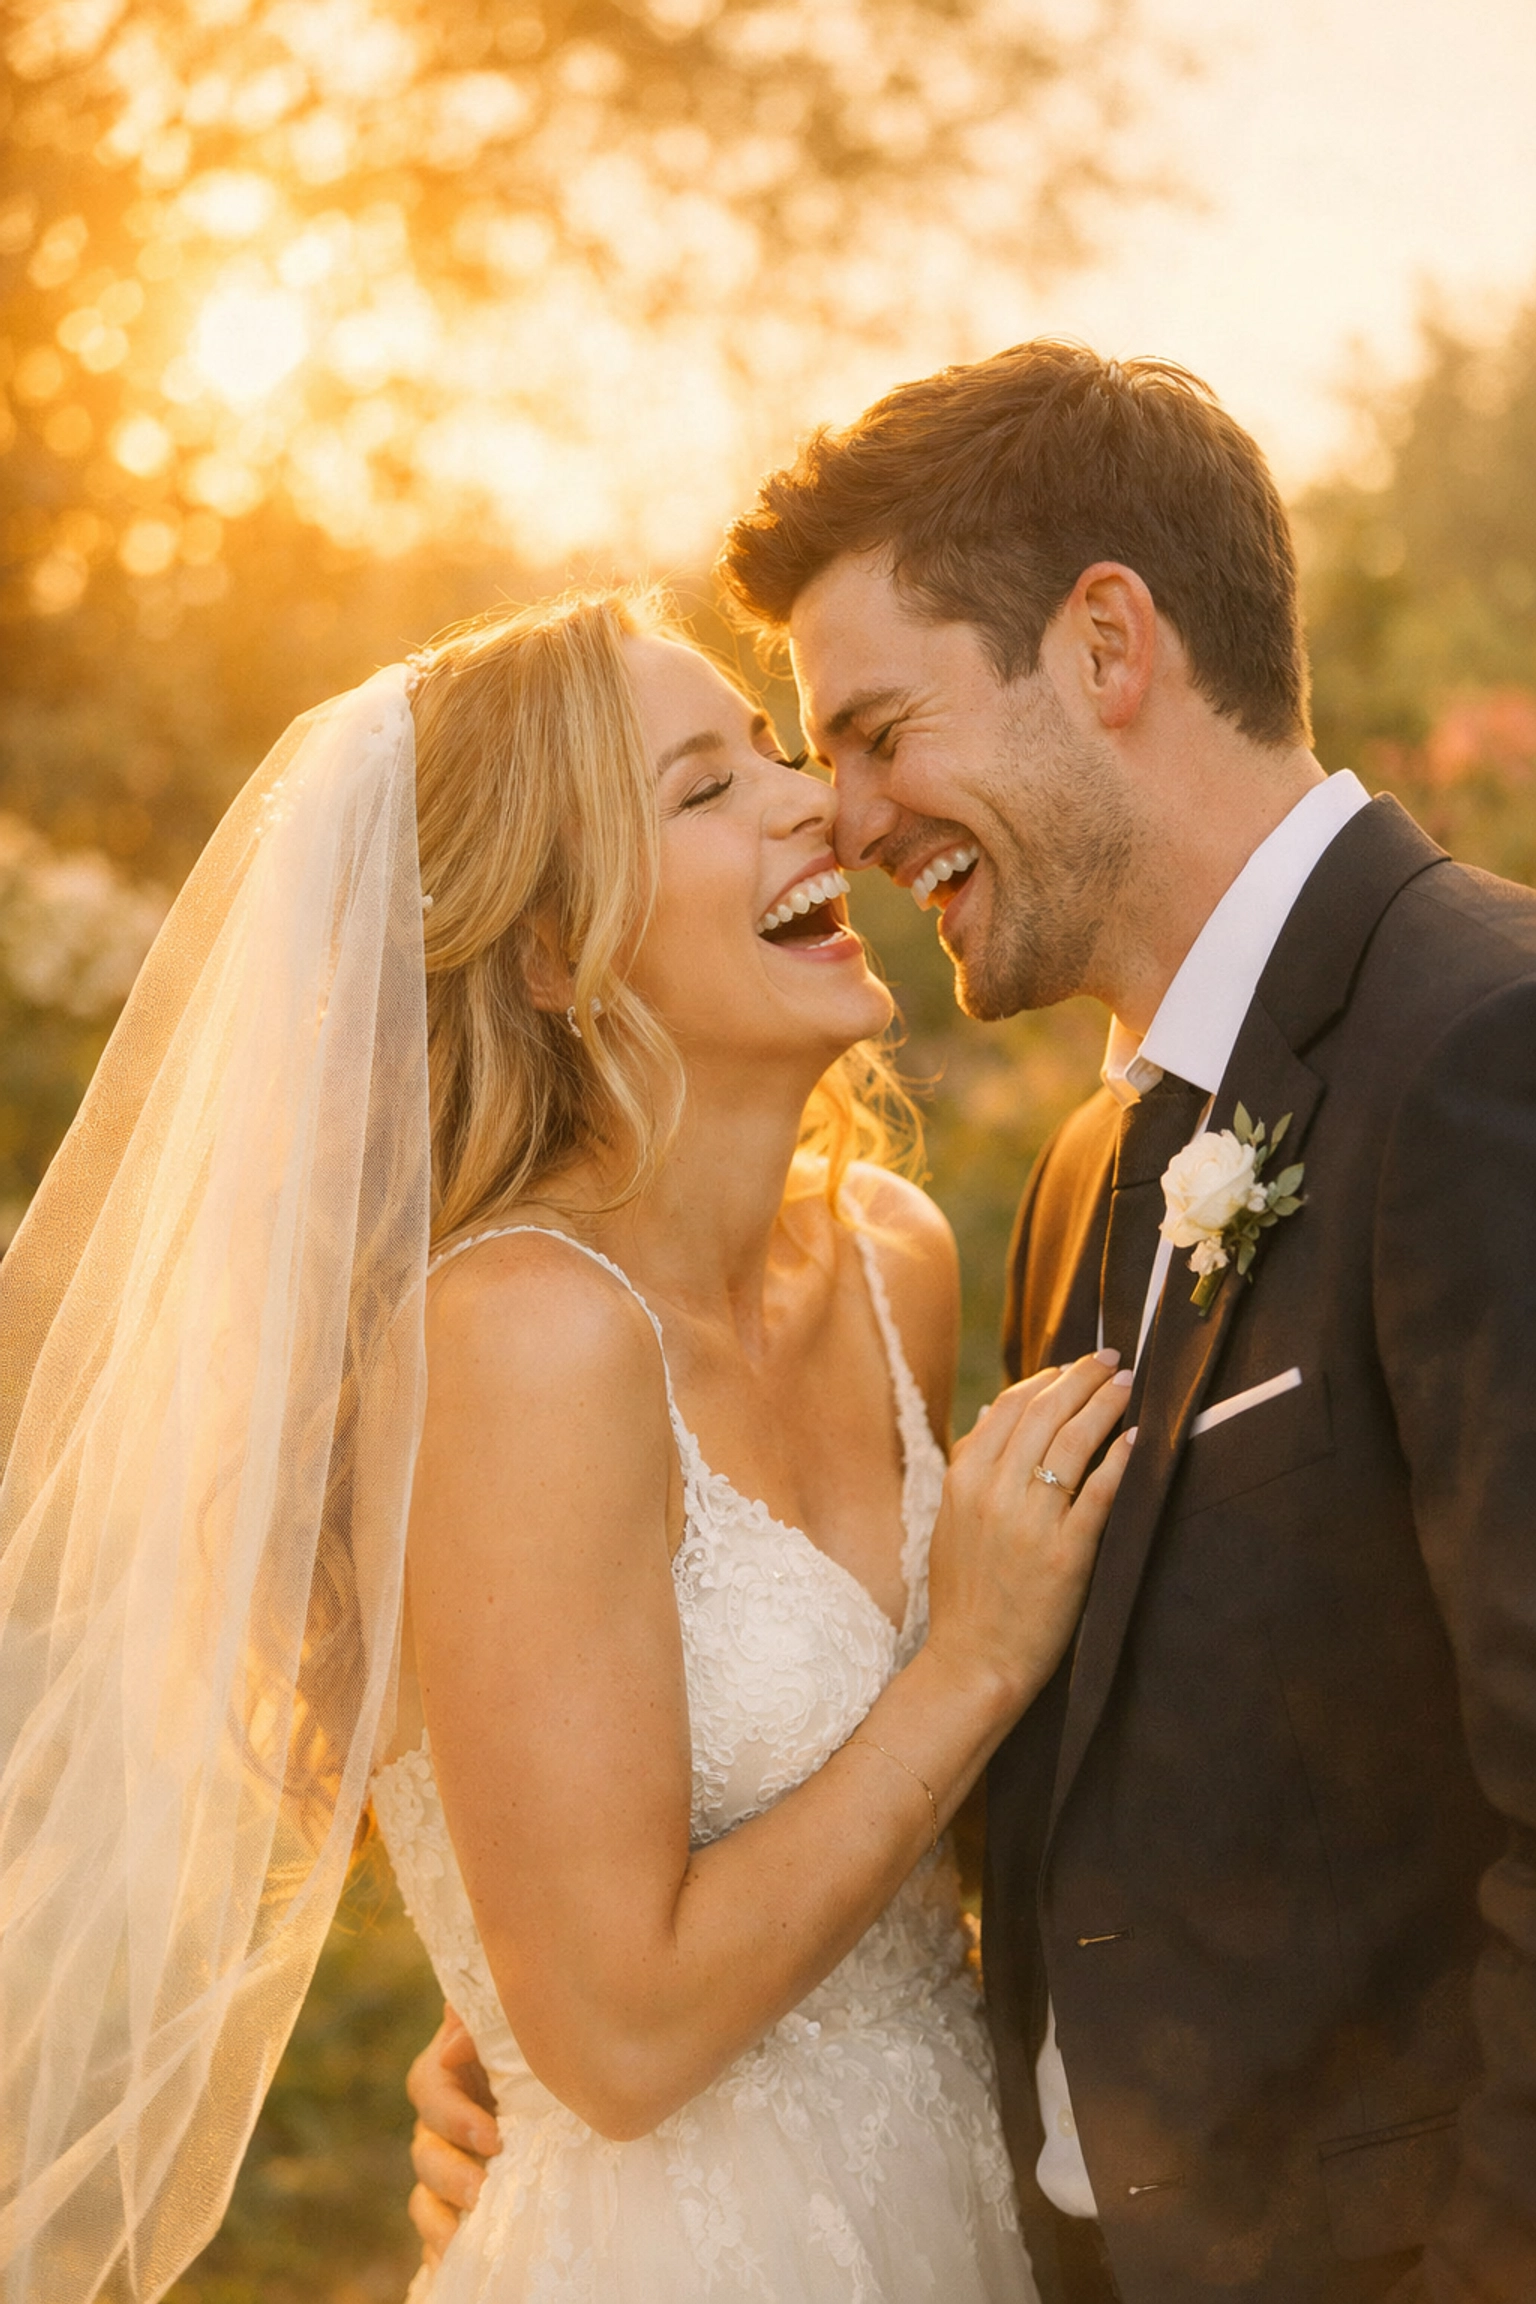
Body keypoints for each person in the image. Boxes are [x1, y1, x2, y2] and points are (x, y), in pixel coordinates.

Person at [415, 344, 1536, 2302]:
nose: (838, 816)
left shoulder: (1486, 1052)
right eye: (775, 764)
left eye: (869, 732)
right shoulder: (1095, 1176)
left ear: (1107, 645)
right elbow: (1100, 1776)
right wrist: (538, 1997)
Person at [0, 587, 1134, 2304]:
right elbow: (617, 2039)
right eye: (706, 789)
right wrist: (973, 1664)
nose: (816, 803)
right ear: (549, 954)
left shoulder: (891, 1259)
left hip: (964, 2204)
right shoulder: (517, 1335)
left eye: (775, 752)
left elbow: (908, 1866)